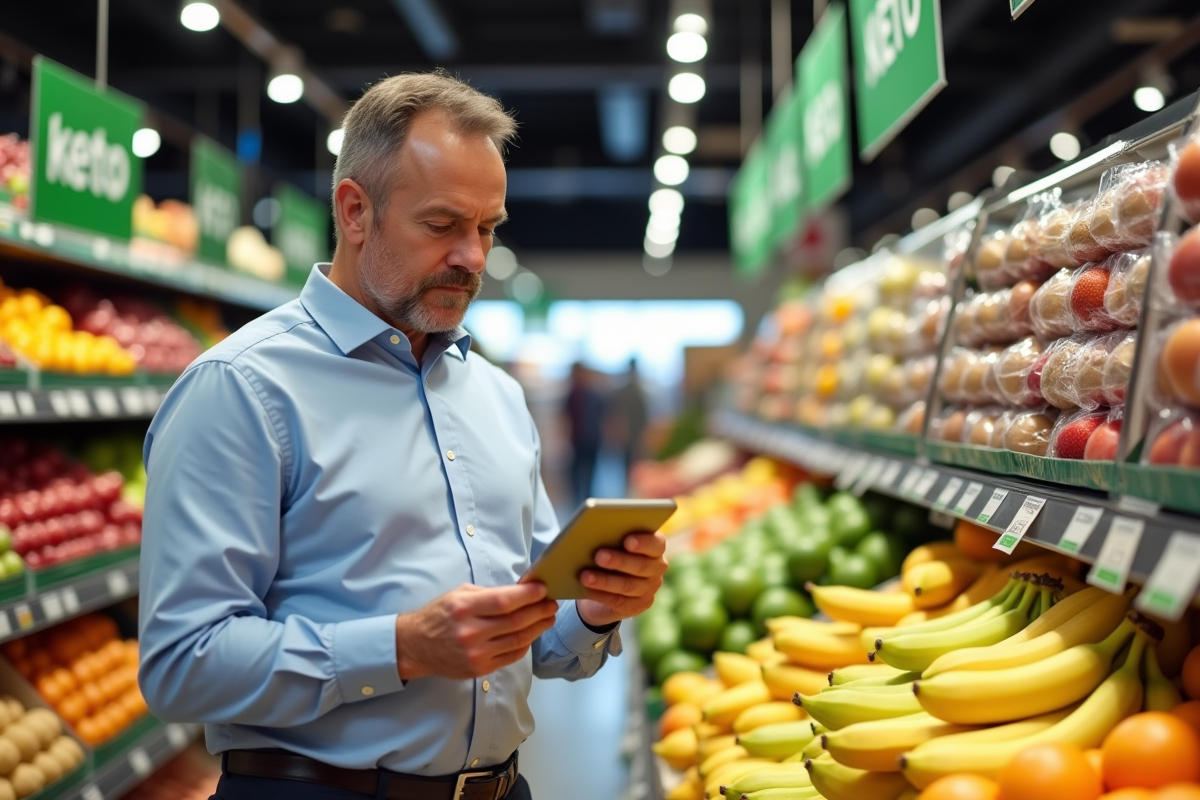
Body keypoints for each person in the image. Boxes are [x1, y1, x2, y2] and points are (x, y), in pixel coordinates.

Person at [137, 72, 668, 800]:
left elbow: (537, 637)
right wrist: (401, 648)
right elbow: (181, 663)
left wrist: (594, 610)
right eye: (443, 225)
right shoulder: (241, 389)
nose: (473, 257)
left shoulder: (497, 396)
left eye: (487, 228)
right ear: (355, 211)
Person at [564, 362, 604, 506]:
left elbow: (602, 417)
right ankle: (577, 500)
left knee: (591, 472)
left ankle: (588, 499)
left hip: (592, 439)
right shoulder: (572, 395)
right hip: (577, 440)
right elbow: (565, 418)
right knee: (576, 472)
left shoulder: (594, 394)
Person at [608, 359, 648, 481]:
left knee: (635, 461)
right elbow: (617, 413)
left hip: (636, 430)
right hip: (629, 431)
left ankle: (631, 481)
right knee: (629, 460)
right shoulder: (629, 390)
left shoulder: (638, 389)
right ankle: (629, 481)